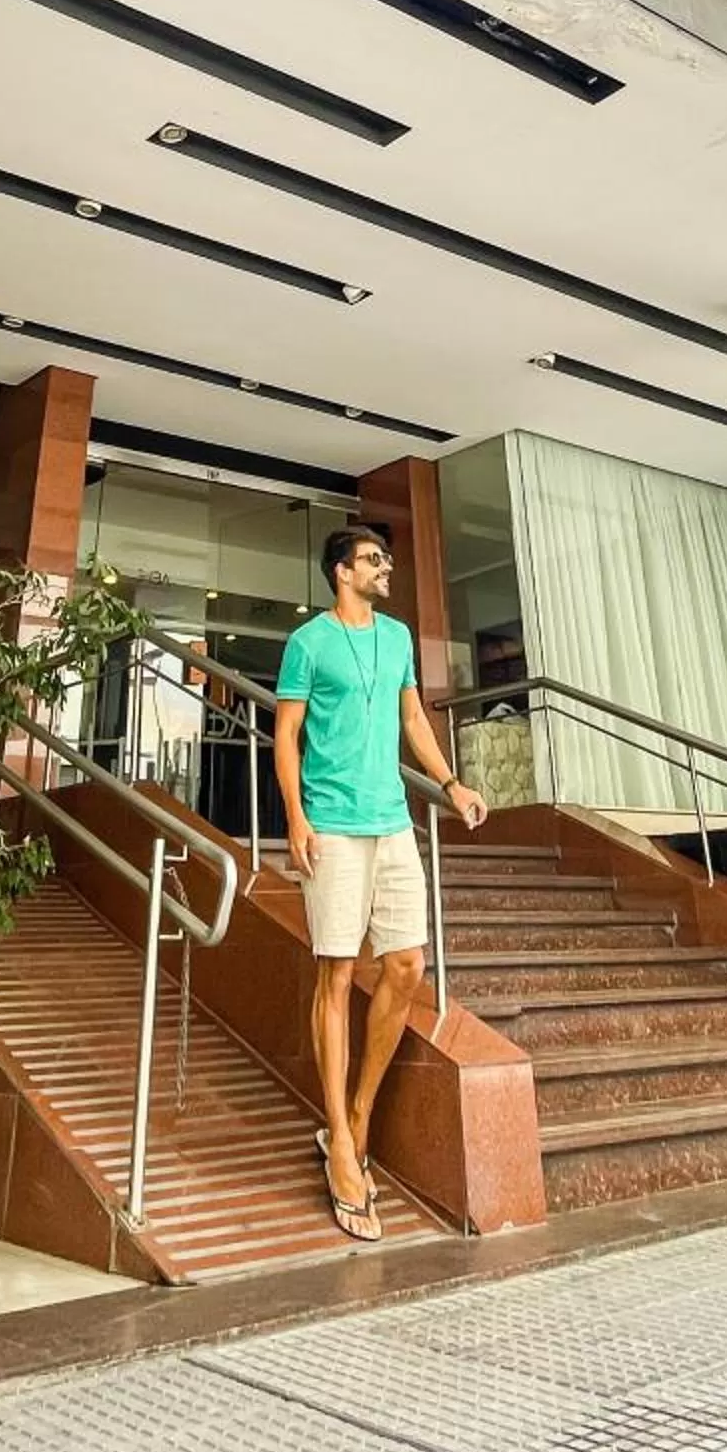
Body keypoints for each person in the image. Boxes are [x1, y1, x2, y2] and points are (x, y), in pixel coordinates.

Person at [273, 521, 485, 1241]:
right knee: (335, 976)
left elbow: (411, 718)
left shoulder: (394, 638)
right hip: (331, 824)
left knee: (406, 966)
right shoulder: (308, 642)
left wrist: (450, 784)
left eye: (387, 558)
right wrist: (295, 820)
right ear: (340, 571)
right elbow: (286, 734)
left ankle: (356, 1117)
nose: (385, 567)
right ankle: (338, 1140)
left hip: (393, 823)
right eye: (372, 559)